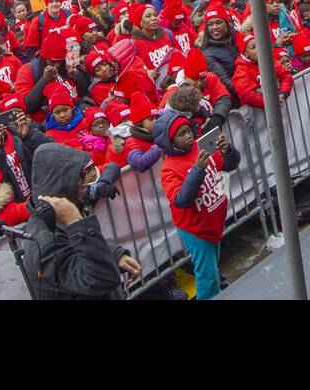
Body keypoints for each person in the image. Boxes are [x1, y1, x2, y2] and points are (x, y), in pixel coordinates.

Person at [20, 142, 139, 300]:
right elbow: (101, 280)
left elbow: (79, 251)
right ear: (61, 183)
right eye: (79, 179)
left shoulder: (56, 218)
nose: (84, 185)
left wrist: (115, 255)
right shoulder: (46, 240)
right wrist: (77, 222)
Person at [154, 111, 239, 301]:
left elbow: (228, 165)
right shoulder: (169, 168)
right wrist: (198, 169)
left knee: (212, 266)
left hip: (212, 223)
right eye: (181, 134)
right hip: (195, 229)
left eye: (188, 130)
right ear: (169, 142)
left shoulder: (198, 148)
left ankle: (215, 289)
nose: (188, 136)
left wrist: (228, 151)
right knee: (207, 276)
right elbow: (181, 199)